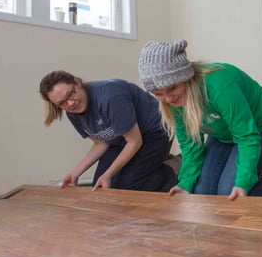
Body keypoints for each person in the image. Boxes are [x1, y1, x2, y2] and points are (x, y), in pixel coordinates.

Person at [137, 39, 262, 201]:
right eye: (158, 94)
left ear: (185, 77)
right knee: (202, 193)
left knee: (227, 193)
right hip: (223, 135)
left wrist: (242, 183)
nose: (168, 99)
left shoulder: (220, 85)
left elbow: (247, 137)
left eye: (172, 88)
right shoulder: (171, 101)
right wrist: (185, 183)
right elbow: (191, 144)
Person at [39, 70, 176, 192]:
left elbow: (134, 141)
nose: (70, 103)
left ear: (77, 83)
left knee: (128, 185)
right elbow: (101, 143)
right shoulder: (72, 113)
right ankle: (150, 167)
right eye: (62, 103)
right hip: (123, 138)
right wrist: (75, 173)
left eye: (70, 94)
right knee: (100, 186)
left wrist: (108, 174)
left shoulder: (110, 97)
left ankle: (171, 171)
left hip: (155, 132)